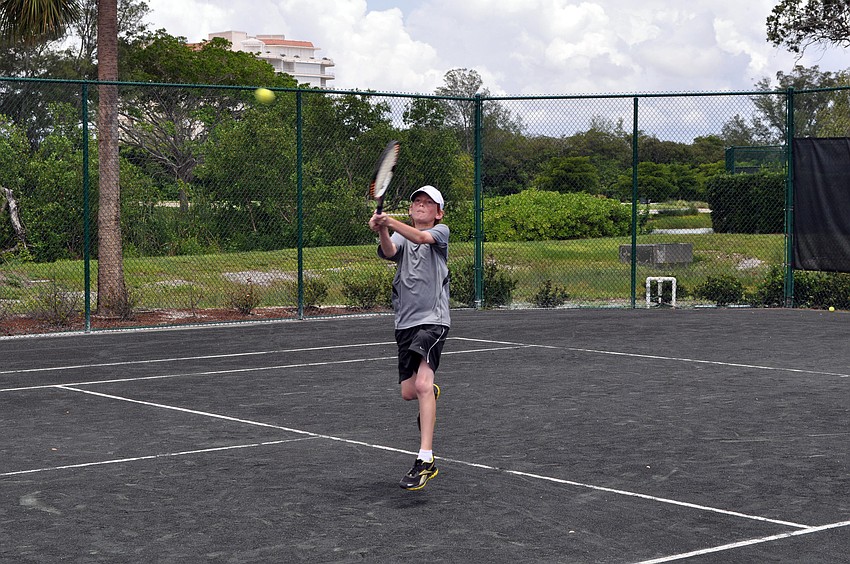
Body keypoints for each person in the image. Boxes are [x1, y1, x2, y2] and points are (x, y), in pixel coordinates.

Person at [368, 185, 450, 491]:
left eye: (429, 203)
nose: (421, 205)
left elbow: (421, 238)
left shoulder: (440, 232)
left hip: (433, 321)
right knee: (408, 392)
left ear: (438, 213)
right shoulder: (401, 233)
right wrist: (382, 230)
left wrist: (388, 222)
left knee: (422, 384)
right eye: (417, 201)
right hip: (405, 323)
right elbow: (390, 252)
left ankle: (425, 459)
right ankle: (428, 394)